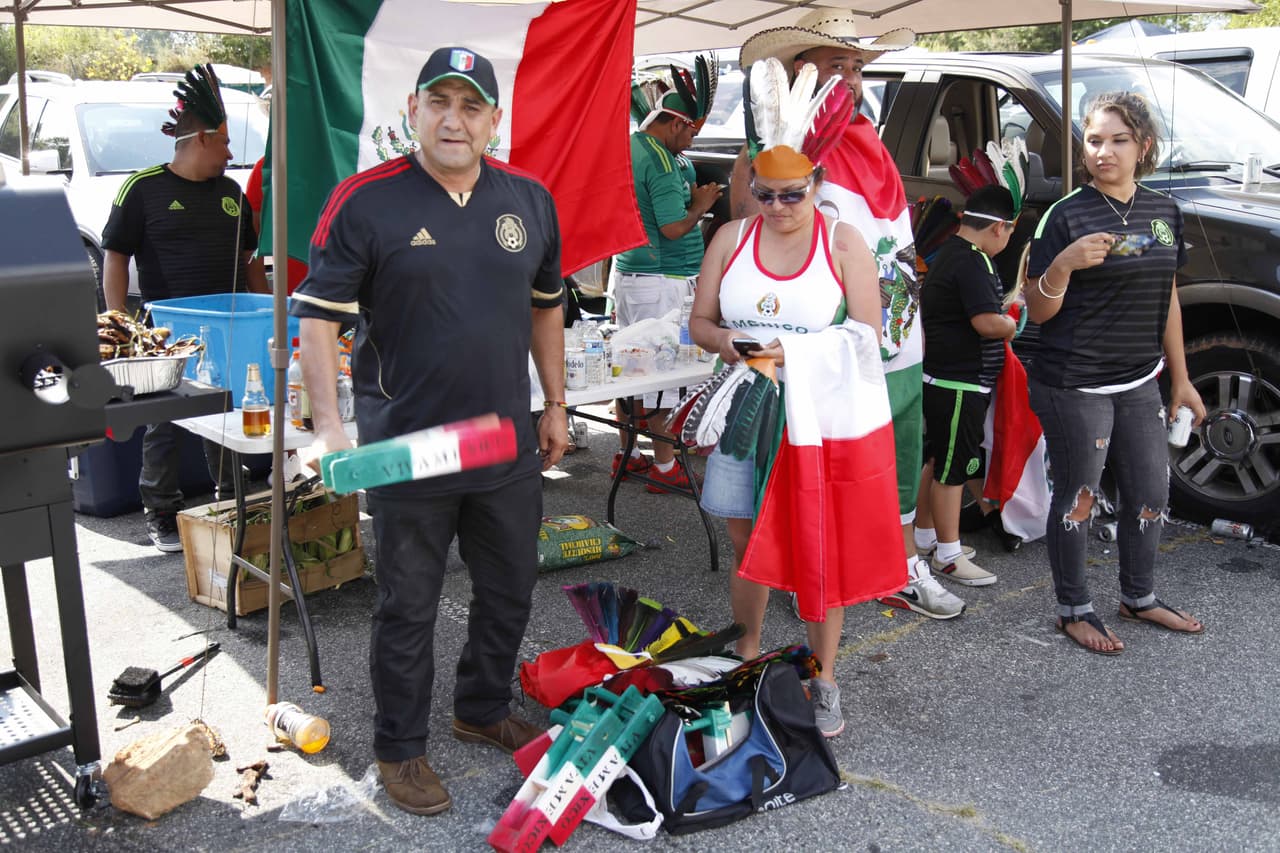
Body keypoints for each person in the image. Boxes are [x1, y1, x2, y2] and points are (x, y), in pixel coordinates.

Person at [291, 47, 568, 816]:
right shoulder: (366, 200)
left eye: (471, 105)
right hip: (407, 448)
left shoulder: (529, 198)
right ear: (412, 109)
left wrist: (554, 403)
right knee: (407, 606)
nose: (454, 119)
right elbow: (317, 321)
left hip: (504, 440)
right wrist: (330, 430)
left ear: (494, 121)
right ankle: (399, 748)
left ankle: (479, 707)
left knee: (510, 589)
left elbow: (548, 303)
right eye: (439, 102)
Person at [690, 58, 905, 738]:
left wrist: (795, 355)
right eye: (766, 193)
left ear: (816, 184)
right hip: (747, 406)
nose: (778, 207)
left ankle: (824, 672)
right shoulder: (730, 237)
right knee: (744, 531)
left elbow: (870, 337)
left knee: (818, 544)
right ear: (751, 188)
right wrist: (751, 352)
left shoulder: (844, 244)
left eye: (792, 194)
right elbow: (698, 324)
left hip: (818, 417)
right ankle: (748, 647)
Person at [737, 10, 965, 620]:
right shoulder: (780, 150)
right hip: (822, 339)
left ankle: (893, 562)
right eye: (836, 66)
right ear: (799, 74)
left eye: (857, 68)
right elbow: (749, 224)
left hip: (892, 332)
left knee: (896, 448)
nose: (852, 79)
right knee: (812, 454)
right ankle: (798, 565)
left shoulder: (866, 139)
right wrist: (774, 155)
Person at [1024, 90, 1206, 655]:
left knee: (1151, 491)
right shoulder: (1066, 213)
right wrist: (1063, 263)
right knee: (1079, 494)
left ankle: (1139, 596)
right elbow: (1037, 308)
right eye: (1094, 140)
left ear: (1143, 146)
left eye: (1117, 140)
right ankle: (1074, 608)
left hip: (1138, 378)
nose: (1103, 151)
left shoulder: (1163, 212)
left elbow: (1168, 295)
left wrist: (1180, 379)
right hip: (1072, 381)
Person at [101, 64, 269, 553]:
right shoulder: (143, 189)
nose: (231, 153)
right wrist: (120, 323)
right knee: (166, 421)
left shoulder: (232, 195)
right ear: (200, 140)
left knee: (228, 412)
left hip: (230, 327)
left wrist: (266, 309)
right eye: (224, 143)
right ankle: (161, 512)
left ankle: (228, 499)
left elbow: (250, 261)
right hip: (167, 331)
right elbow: (115, 257)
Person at [897, 185, 1017, 608]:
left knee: (937, 459)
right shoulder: (975, 262)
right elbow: (986, 322)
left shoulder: (948, 251)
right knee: (954, 469)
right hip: (960, 383)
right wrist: (1010, 324)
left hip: (941, 378)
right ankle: (948, 554)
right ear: (1001, 227)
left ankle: (928, 538)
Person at [612, 66, 722, 491]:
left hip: (638, 274)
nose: (694, 139)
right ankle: (663, 467)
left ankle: (629, 454)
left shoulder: (639, 147)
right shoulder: (658, 160)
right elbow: (674, 226)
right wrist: (702, 203)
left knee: (632, 367)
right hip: (660, 279)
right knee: (662, 373)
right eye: (692, 130)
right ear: (675, 122)